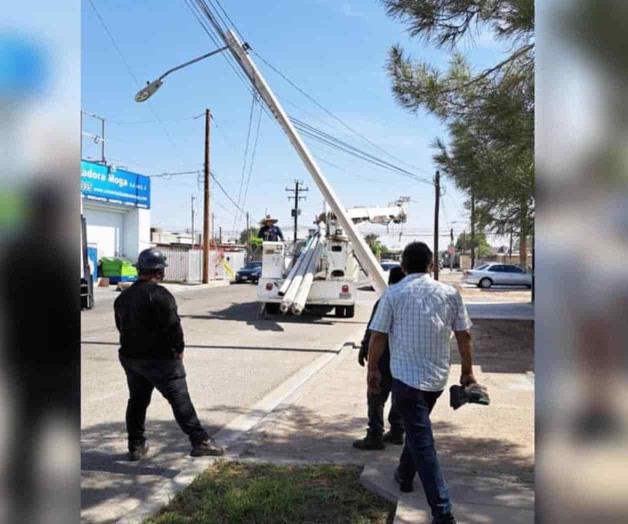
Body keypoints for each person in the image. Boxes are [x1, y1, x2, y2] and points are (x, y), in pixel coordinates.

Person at [367, 242, 475, 524]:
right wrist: (467, 372)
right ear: (431, 265)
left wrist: (372, 370)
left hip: (405, 379)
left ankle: (442, 512)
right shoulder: (450, 294)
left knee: (422, 440)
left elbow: (377, 336)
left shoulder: (393, 293)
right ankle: (404, 475)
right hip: (437, 380)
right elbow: (464, 336)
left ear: (402, 266)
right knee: (418, 430)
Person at [114, 248, 223, 460]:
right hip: (161, 360)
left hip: (131, 358)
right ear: (159, 272)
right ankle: (200, 441)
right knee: (179, 399)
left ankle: (136, 446)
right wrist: (179, 350)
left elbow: (121, 327)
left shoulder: (123, 297)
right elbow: (174, 328)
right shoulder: (161, 295)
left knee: (137, 401)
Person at [353, 266, 406, 450]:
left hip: (384, 356)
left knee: (376, 394)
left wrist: (364, 348)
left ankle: (375, 434)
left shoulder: (386, 298)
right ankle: (397, 431)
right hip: (404, 358)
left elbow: (374, 330)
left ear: (390, 280)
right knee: (398, 395)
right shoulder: (411, 300)